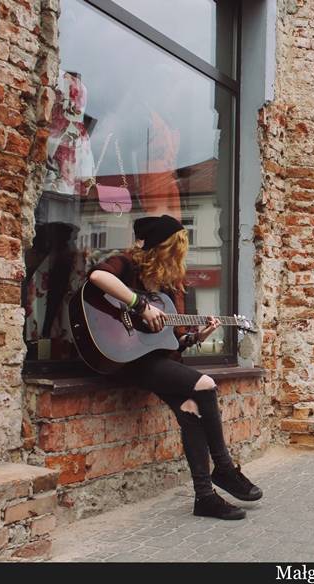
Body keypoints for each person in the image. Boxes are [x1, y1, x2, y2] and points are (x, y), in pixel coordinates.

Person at [87, 215, 262, 520]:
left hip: (155, 360)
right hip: (128, 360)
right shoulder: (126, 264)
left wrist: (197, 337)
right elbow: (98, 277)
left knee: (191, 410)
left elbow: (171, 343)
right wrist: (139, 305)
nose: (179, 257)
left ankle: (205, 497)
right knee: (205, 384)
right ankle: (224, 468)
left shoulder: (168, 290)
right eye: (174, 249)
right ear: (160, 248)